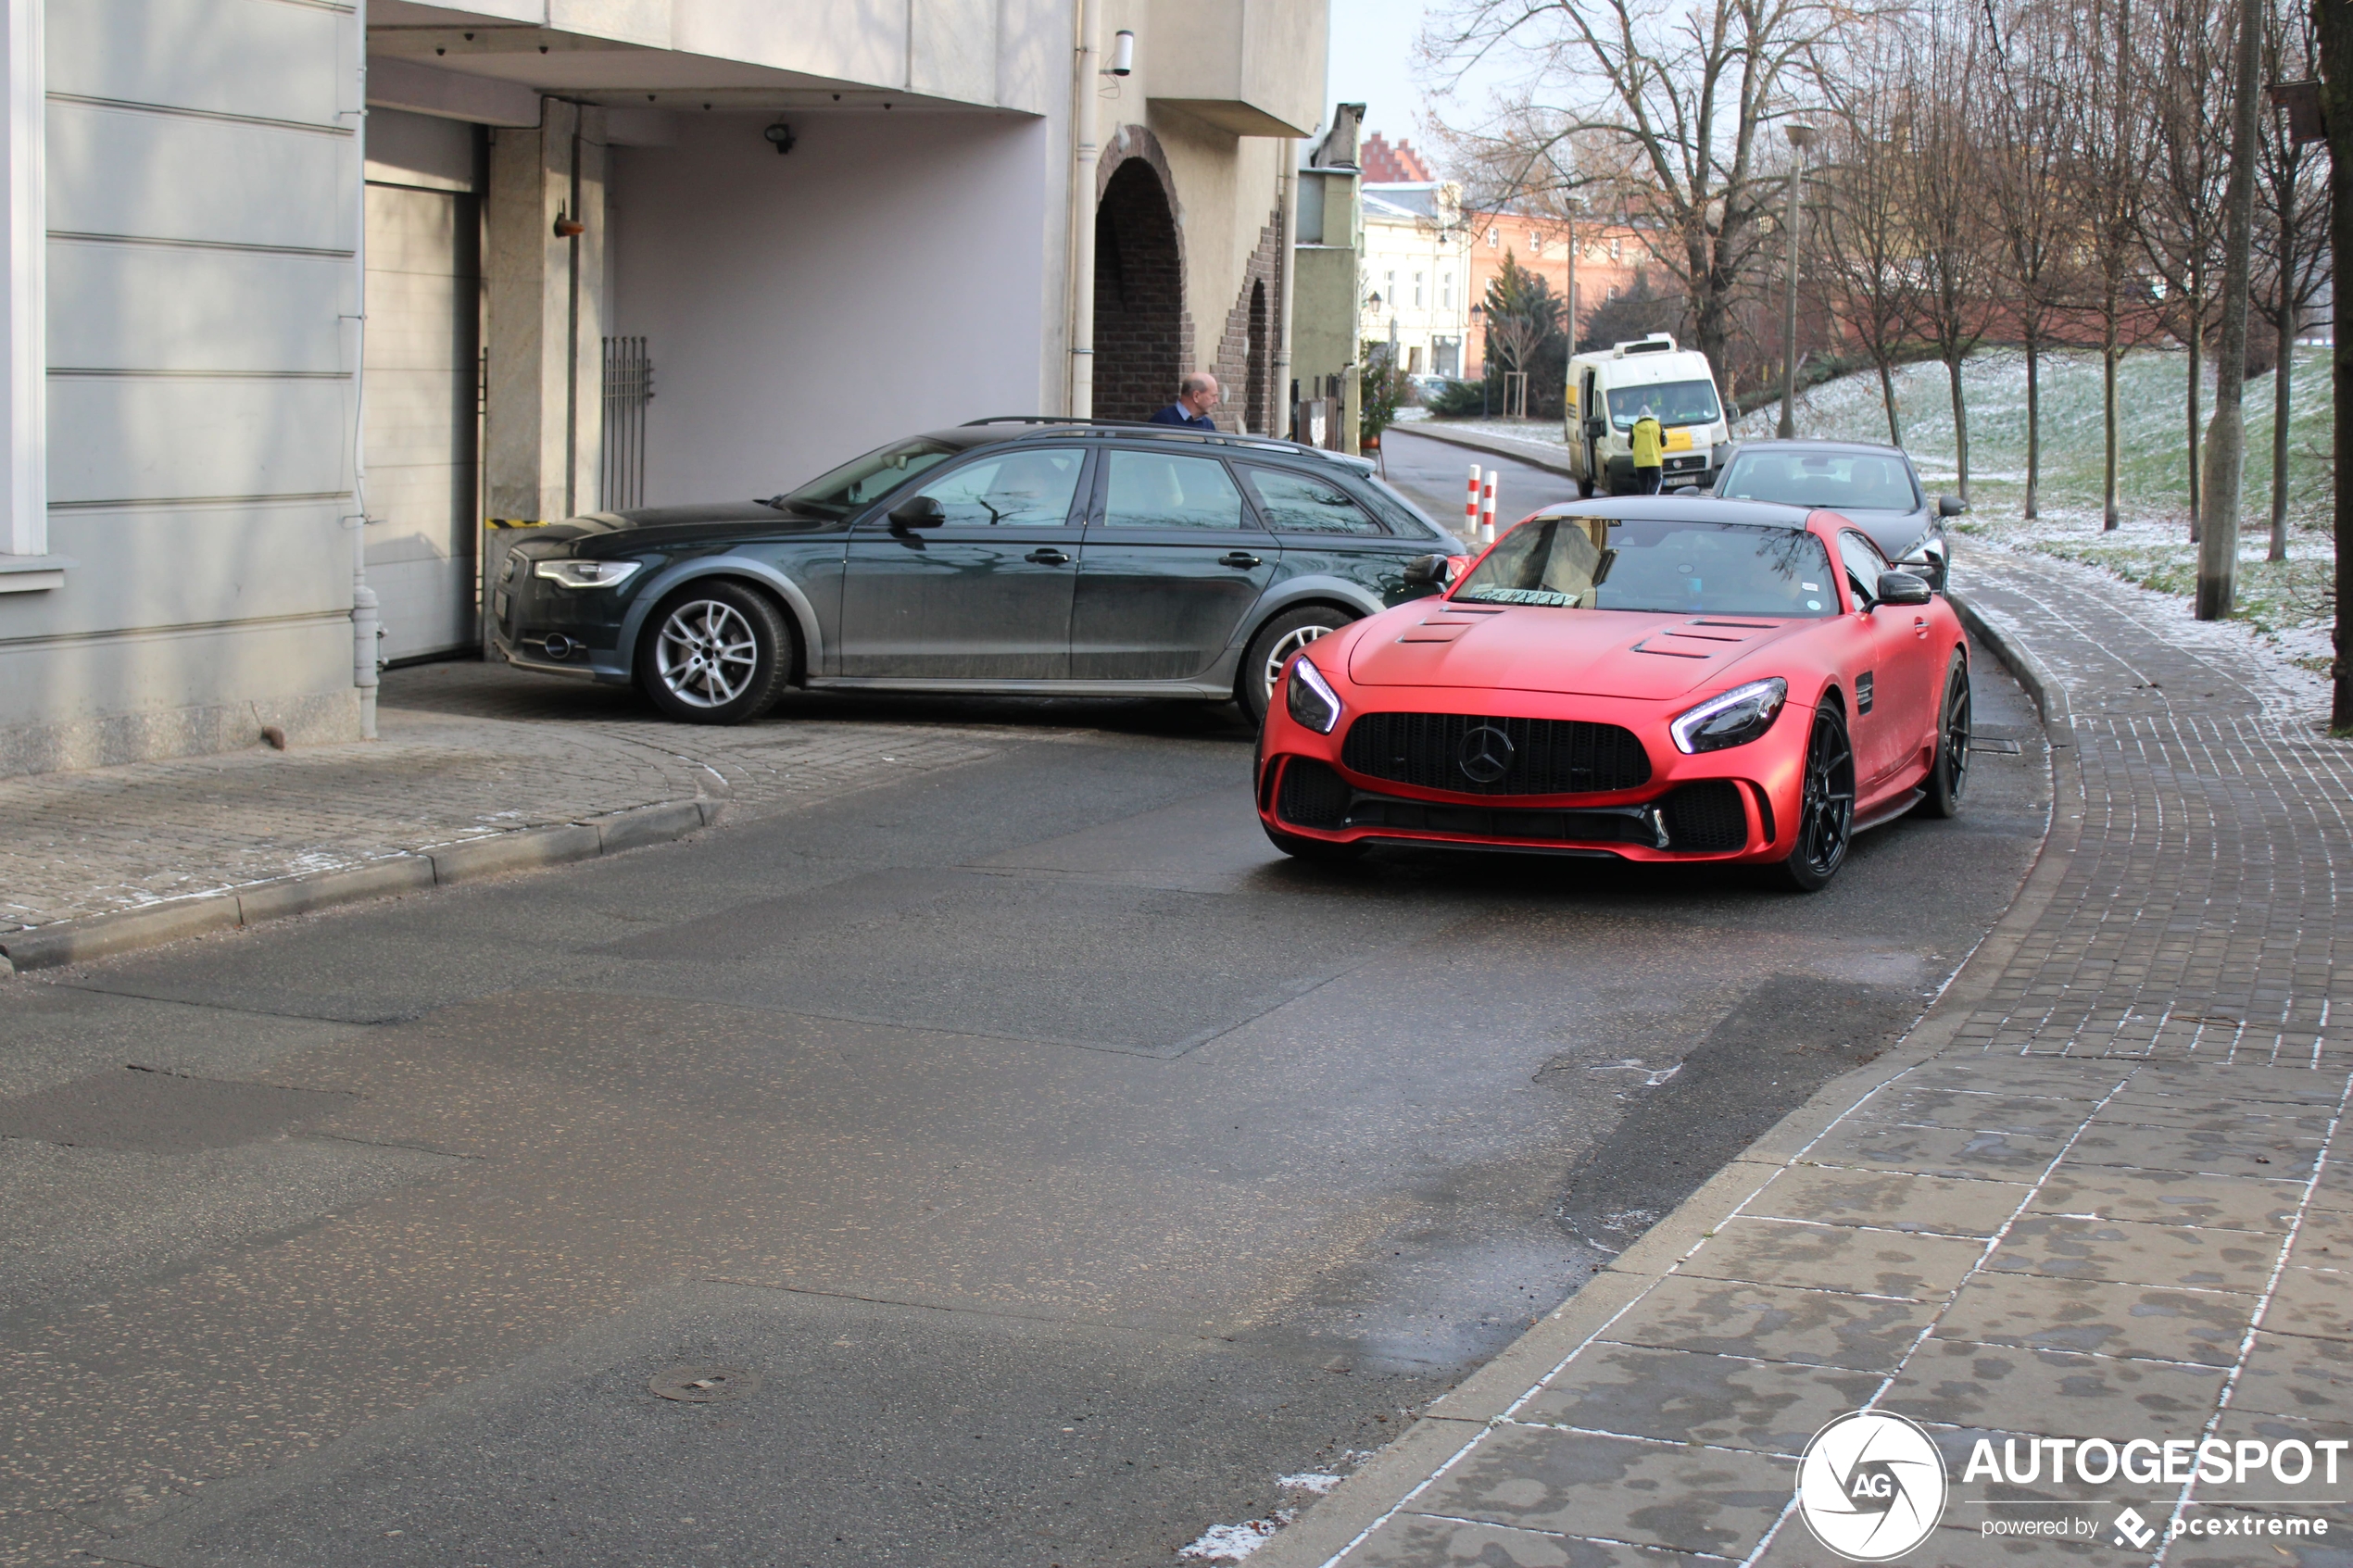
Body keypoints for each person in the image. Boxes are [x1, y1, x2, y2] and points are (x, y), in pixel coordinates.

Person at [1150, 371, 1221, 430]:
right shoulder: (1163, 421)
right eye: (1213, 396)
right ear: (1196, 396)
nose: (1216, 401)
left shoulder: (1208, 425)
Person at [1629, 405, 1665, 495]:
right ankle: (1653, 499)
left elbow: (1630, 444)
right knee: (1656, 482)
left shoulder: (1634, 428)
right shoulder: (1658, 426)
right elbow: (1664, 442)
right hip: (1654, 460)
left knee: (1642, 486)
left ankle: (1644, 504)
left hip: (1640, 462)